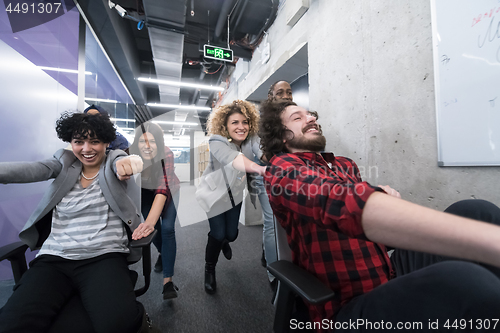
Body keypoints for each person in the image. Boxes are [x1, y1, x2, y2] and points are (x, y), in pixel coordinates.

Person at [259, 100, 500, 332]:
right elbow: (334, 200)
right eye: (297, 117)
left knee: (476, 212)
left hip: (387, 270)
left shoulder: (343, 164)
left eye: (310, 114)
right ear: (281, 135)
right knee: (466, 280)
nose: (310, 118)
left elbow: (365, 228)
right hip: (350, 304)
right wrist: (372, 197)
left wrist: (382, 207)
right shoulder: (281, 168)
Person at [0, 111, 149, 333]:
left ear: (106, 142)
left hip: (103, 256)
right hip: (54, 258)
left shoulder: (112, 161)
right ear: (71, 142)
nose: (87, 149)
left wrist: (129, 162)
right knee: (12, 325)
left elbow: (124, 161)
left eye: (95, 142)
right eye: (79, 142)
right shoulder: (64, 162)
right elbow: (30, 170)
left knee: (118, 325)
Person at [197, 100, 266, 294]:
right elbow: (233, 159)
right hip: (214, 196)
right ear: (225, 125)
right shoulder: (217, 141)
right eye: (235, 122)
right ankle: (209, 269)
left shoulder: (249, 141)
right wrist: (261, 169)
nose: (241, 127)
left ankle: (224, 242)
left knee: (232, 235)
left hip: (234, 196)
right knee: (218, 234)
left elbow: (261, 152)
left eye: (244, 122)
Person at [129, 122, 181, 300]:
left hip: (168, 190)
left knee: (166, 228)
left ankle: (168, 281)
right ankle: (162, 253)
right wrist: (149, 223)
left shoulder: (166, 153)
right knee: (152, 232)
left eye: (152, 141)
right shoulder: (130, 154)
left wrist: (150, 221)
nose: (148, 146)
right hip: (144, 192)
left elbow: (162, 187)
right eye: (143, 141)